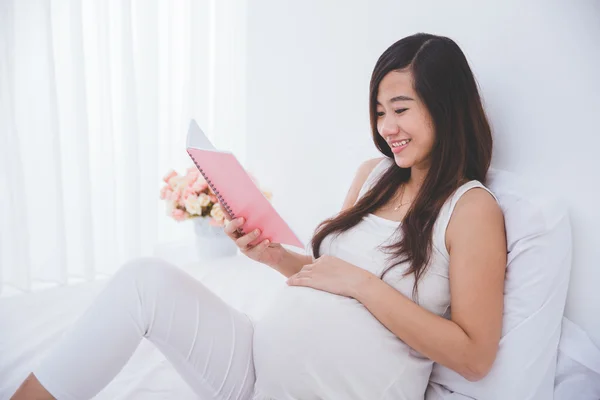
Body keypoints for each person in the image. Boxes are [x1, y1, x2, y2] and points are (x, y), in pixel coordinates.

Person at [11, 32, 507, 400]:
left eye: (401, 109)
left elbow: (475, 356)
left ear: (444, 106)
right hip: (256, 370)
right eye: (380, 111)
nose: (387, 127)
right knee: (145, 281)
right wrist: (274, 258)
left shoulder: (470, 209)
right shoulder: (373, 174)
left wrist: (364, 285)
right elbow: (327, 277)